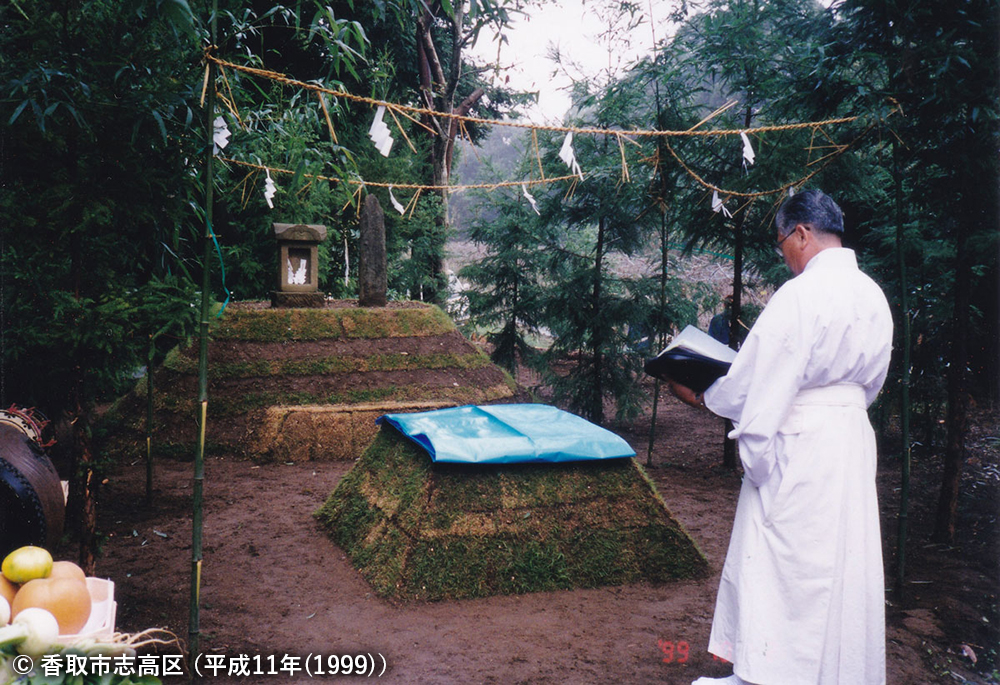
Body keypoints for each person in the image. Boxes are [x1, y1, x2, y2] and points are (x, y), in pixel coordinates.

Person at [669, 190, 893, 685]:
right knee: (841, 560)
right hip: (850, 438)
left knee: (785, 563)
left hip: (802, 442)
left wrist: (704, 396)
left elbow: (758, 377)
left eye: (782, 244)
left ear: (801, 234)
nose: (785, 256)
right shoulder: (873, 295)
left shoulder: (802, 295)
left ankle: (772, 672)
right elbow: (870, 385)